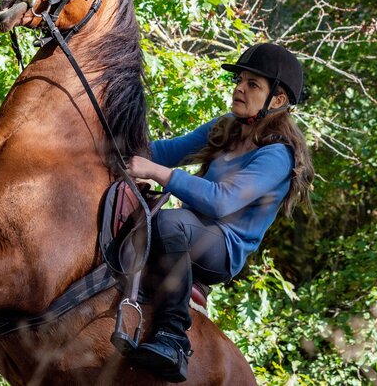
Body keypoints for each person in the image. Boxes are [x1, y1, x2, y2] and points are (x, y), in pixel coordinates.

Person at [123, 43, 315, 382]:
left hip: (222, 249)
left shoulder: (277, 156)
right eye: (240, 80)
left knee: (169, 222)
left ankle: (173, 338)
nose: (239, 88)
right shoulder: (227, 127)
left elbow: (222, 201)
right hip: (189, 228)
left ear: (279, 100)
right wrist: (116, 150)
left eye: (253, 84)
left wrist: (156, 172)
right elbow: (166, 151)